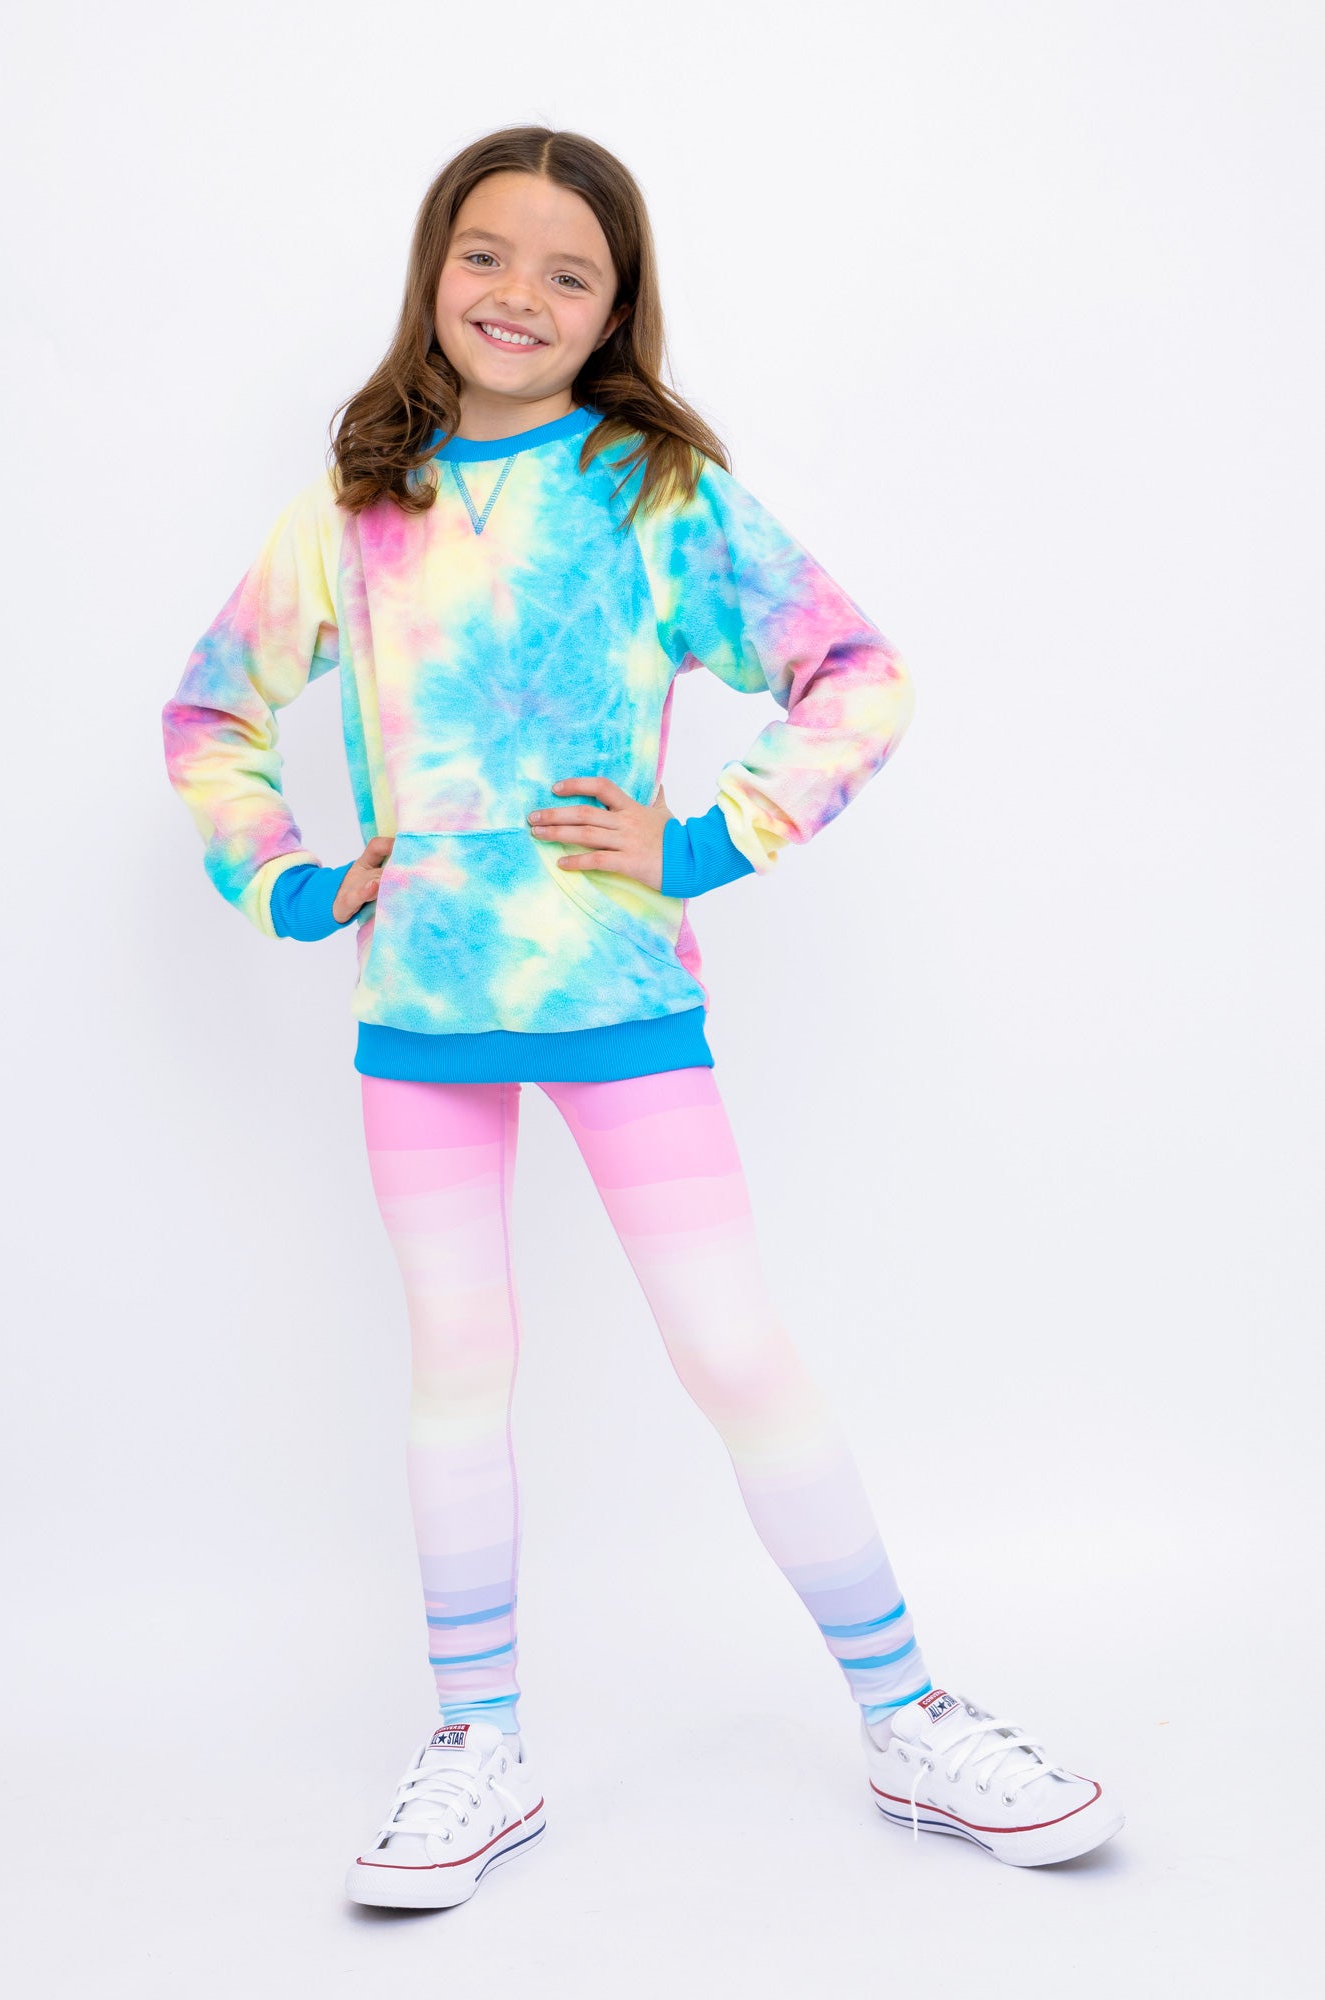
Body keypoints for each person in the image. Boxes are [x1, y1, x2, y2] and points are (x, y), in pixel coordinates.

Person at [161, 125, 1123, 1911]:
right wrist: (285, 879)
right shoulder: (351, 508)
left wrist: (701, 842)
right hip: (423, 1010)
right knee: (459, 1368)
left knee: (734, 1351)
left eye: (568, 271)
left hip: (617, 993)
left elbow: (857, 675)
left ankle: (907, 1712)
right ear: (432, 267)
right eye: (485, 253)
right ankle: (478, 1742)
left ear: (616, 309)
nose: (516, 294)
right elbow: (210, 713)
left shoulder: (655, 490)